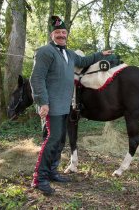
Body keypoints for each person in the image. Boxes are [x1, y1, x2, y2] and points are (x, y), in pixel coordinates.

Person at [30, 15, 113, 195]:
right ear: (52, 34)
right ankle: (40, 178)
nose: (61, 35)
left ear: (67, 34)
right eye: (57, 32)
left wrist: (100, 55)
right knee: (52, 140)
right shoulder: (45, 52)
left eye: (63, 32)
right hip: (50, 106)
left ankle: (52, 171)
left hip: (65, 105)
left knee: (60, 140)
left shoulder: (70, 54)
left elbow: (84, 61)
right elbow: (36, 78)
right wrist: (42, 102)